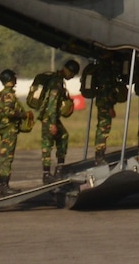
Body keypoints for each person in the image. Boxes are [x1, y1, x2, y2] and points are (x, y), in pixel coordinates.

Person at [28, 58, 81, 187]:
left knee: (62, 136)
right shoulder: (56, 82)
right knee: (48, 143)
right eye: (72, 74)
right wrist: (52, 123)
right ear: (68, 71)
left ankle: (58, 169)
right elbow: (52, 102)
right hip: (49, 117)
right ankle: (48, 174)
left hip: (49, 116)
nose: (72, 76)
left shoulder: (56, 79)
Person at [0, 69, 30, 196]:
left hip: (7, 128)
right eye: (14, 77)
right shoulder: (8, 95)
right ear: (10, 79)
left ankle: (1, 185)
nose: (16, 79)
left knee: (5, 157)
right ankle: (3, 186)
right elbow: (7, 111)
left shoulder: (5, 94)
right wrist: (22, 114)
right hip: (9, 129)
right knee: (7, 158)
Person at [81, 50, 128, 162]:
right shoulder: (106, 70)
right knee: (103, 129)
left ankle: (100, 153)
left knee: (102, 128)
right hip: (105, 103)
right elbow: (106, 90)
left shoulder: (101, 67)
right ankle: (99, 155)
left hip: (102, 102)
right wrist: (110, 107)